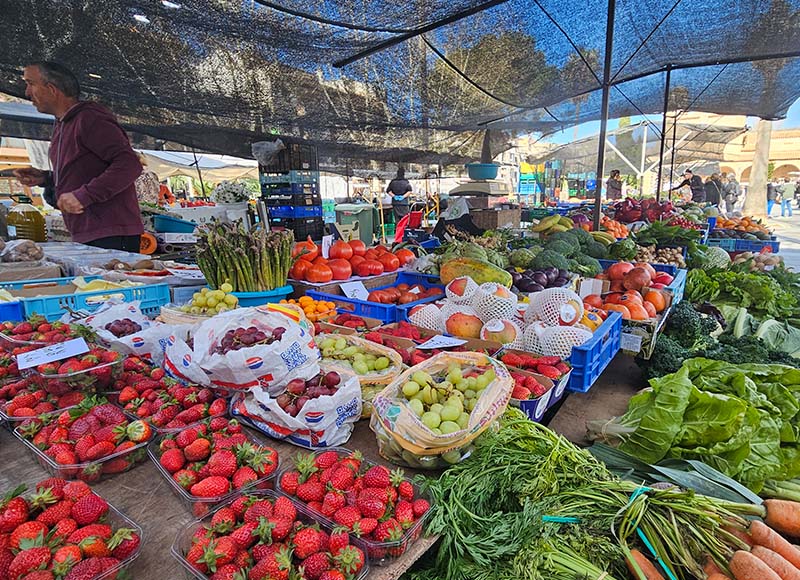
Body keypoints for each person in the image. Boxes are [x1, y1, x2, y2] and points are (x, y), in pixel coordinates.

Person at [13, 62, 144, 252]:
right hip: (87, 230)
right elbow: (83, 170)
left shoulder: (89, 118)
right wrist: (46, 178)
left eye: (31, 84)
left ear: (51, 89)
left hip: (110, 232)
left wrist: (85, 195)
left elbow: (129, 164)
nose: (26, 92)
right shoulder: (62, 124)